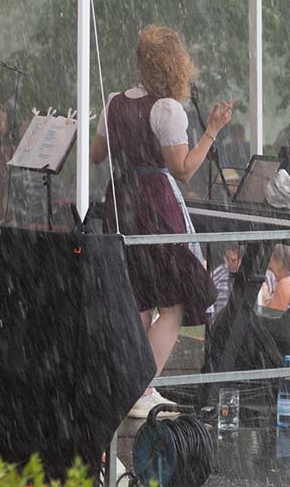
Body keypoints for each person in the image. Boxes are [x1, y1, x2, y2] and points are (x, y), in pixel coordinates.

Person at [90, 25, 231, 419]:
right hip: (154, 205)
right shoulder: (166, 109)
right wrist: (211, 132)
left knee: (137, 294)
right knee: (175, 301)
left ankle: (132, 387)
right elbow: (182, 169)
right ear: (174, 65)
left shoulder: (114, 102)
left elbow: (97, 155)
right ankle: (140, 388)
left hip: (120, 202)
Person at [210, 244, 242, 315]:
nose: (229, 262)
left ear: (240, 260)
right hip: (219, 316)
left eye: (233, 260)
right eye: (227, 259)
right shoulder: (218, 273)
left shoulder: (247, 275)